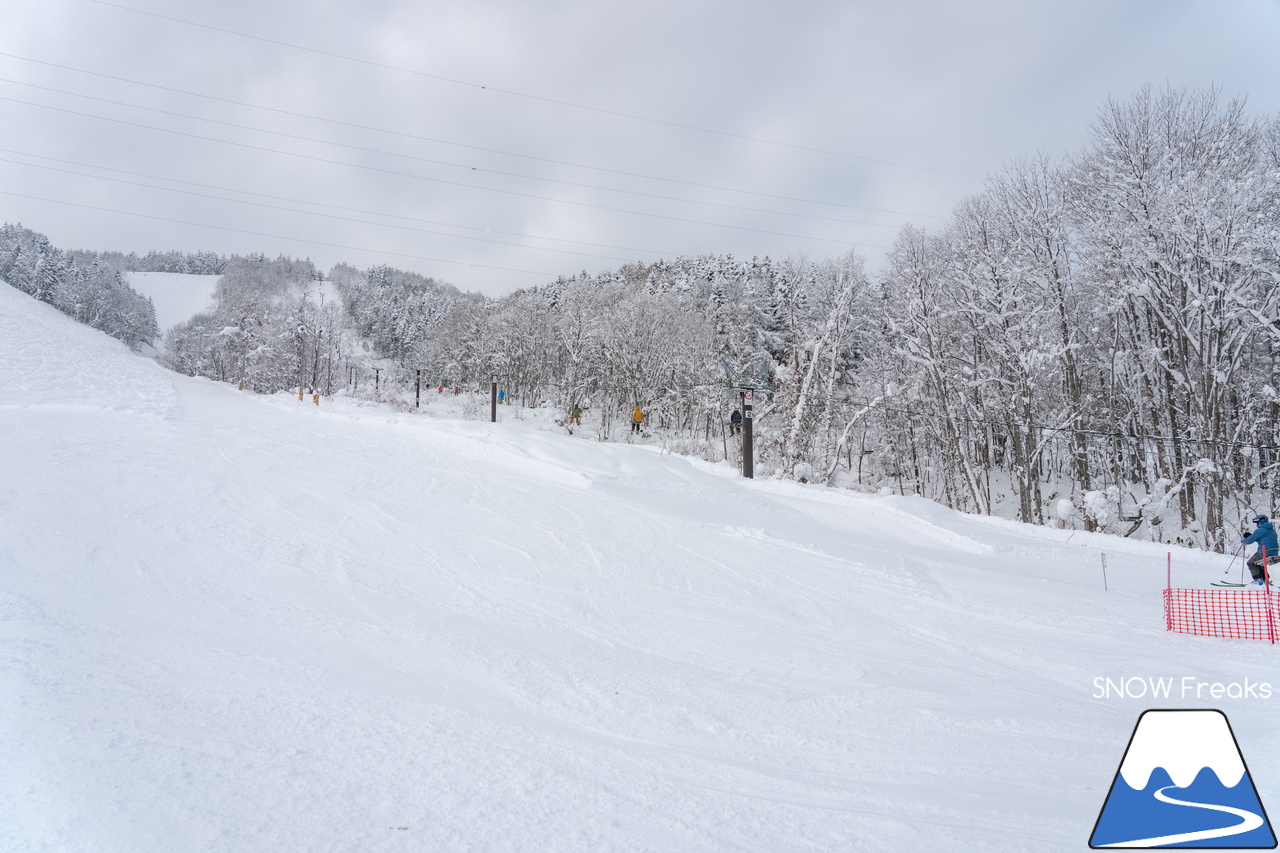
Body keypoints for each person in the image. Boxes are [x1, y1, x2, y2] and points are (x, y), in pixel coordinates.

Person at [1242, 514, 1279, 585]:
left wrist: (1243, 540)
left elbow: (1249, 541)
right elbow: (1264, 539)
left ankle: (1258, 579)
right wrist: (1251, 536)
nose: (1256, 524)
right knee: (1259, 563)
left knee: (1251, 563)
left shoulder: (1260, 530)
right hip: (1274, 552)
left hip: (1264, 551)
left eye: (1257, 523)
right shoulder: (1272, 530)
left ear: (1259, 522)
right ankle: (1265, 579)